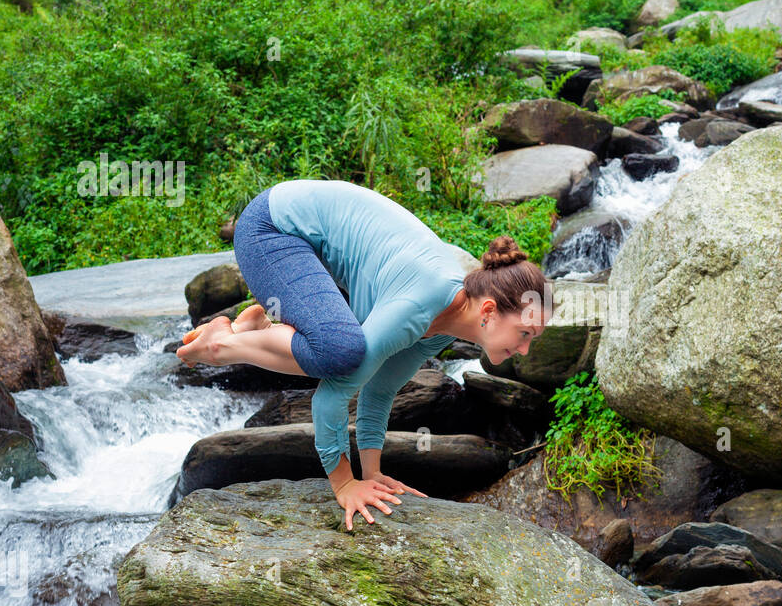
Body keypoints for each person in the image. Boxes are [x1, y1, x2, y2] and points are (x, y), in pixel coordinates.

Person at [176, 179, 552, 530]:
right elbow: (331, 396)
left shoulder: (445, 323)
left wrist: (371, 474)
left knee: (348, 353)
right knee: (341, 354)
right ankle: (224, 343)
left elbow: (380, 390)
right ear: (488, 312)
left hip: (308, 246)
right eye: (524, 333)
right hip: (271, 228)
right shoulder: (420, 302)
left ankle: (256, 329)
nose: (524, 349)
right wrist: (344, 485)